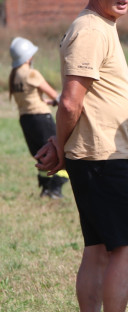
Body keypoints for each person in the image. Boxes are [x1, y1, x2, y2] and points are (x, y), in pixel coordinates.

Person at [33, 0, 128, 312]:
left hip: (97, 152)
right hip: (101, 155)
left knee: (99, 248)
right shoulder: (90, 29)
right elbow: (68, 103)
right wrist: (61, 148)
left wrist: (58, 146)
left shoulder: (100, 26)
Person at [8, 37, 69, 198]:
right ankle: (55, 189)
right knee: (57, 152)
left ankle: (45, 189)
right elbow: (54, 95)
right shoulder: (32, 74)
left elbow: (28, 98)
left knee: (41, 155)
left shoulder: (13, 76)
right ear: (28, 57)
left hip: (26, 120)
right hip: (42, 118)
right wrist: (56, 100)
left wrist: (49, 101)